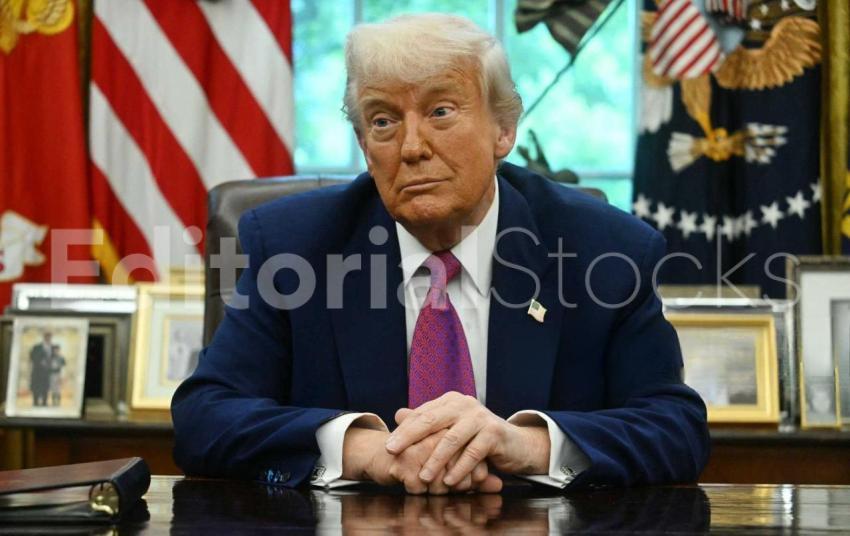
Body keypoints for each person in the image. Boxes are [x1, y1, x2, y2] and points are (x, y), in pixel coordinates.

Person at [172, 13, 709, 494]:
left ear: (504, 130)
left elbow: (675, 429)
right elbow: (205, 417)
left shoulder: (605, 252)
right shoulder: (296, 248)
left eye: (441, 111)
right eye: (383, 120)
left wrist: (523, 444)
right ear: (364, 143)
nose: (411, 147)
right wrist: (361, 451)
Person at [29, 331, 52, 407]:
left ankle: (44, 403)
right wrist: (40, 362)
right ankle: (35, 403)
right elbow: (32, 357)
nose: (48, 338)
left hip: (47, 372)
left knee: (45, 388)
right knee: (36, 387)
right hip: (37, 372)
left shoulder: (52, 347)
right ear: (44, 337)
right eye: (46, 337)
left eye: (49, 337)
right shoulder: (37, 347)